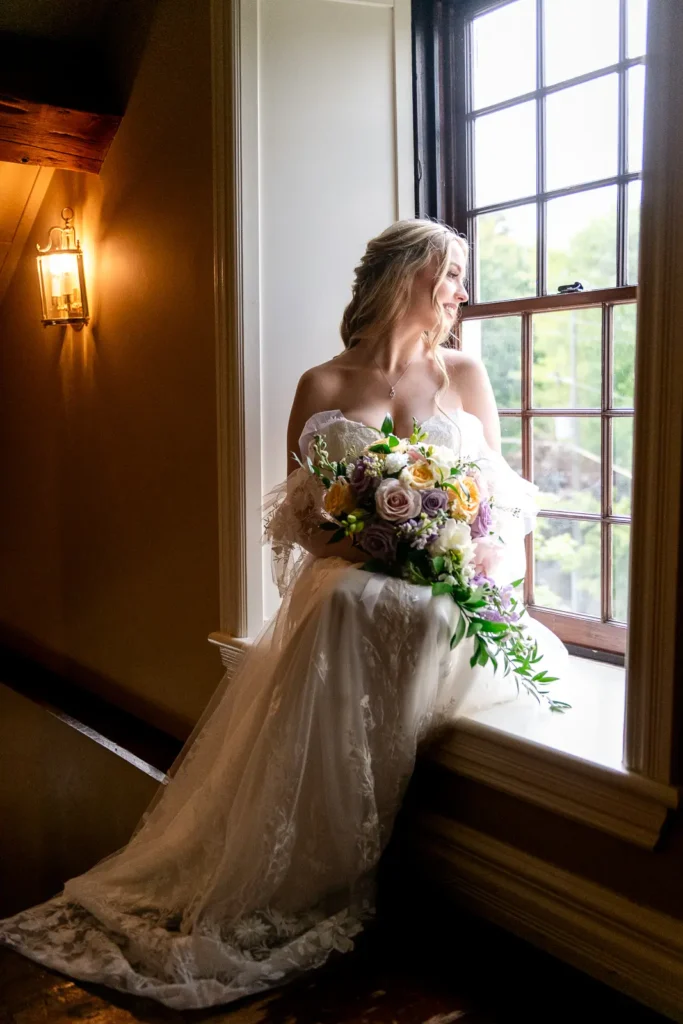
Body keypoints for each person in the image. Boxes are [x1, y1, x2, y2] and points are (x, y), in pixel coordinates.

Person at [0, 219, 567, 1010]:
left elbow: (502, 508)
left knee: (375, 605)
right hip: (357, 586)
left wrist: (465, 558)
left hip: (450, 591)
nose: (460, 294)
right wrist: (373, 535)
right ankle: (312, 871)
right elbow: (303, 520)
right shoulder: (323, 385)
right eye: (448, 276)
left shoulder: (465, 376)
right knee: (343, 596)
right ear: (403, 279)